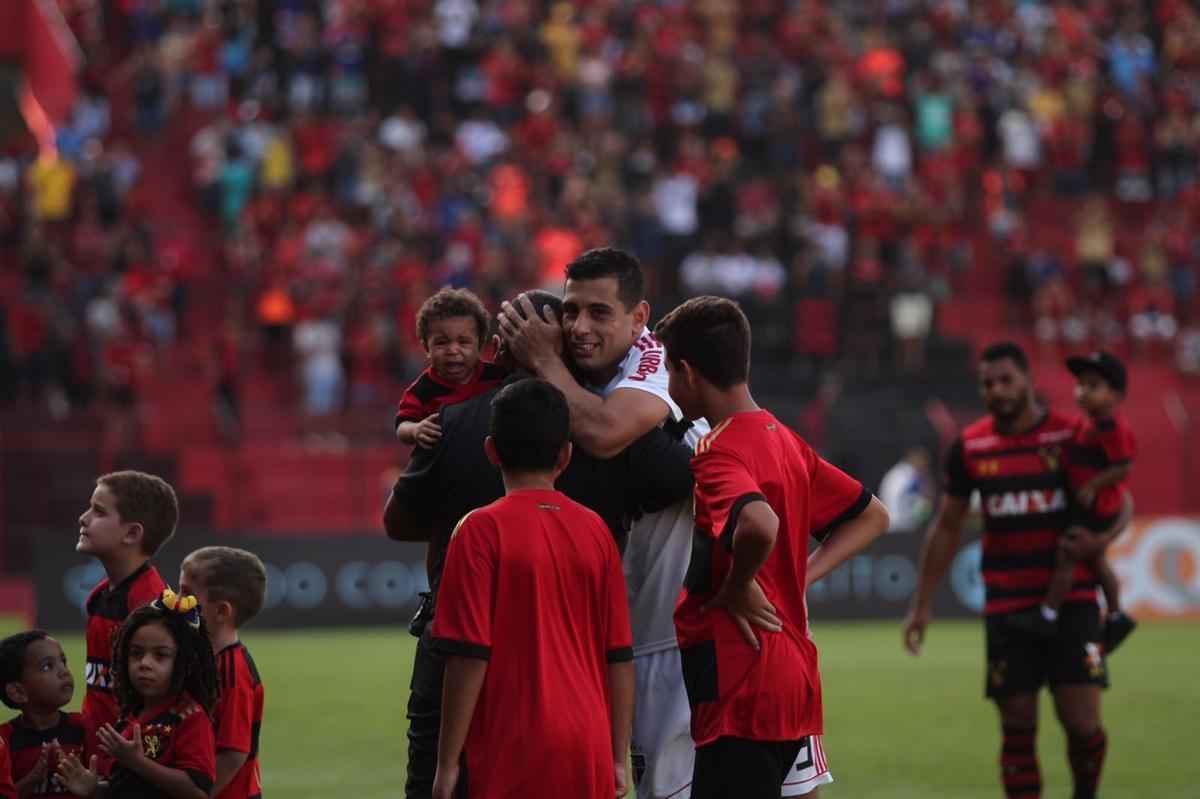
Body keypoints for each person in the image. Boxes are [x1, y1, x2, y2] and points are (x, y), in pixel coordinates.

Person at [384, 289, 694, 799]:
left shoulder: (454, 424)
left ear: (497, 347)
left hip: (456, 650)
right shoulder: (607, 433)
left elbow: (398, 521)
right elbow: (687, 476)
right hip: (574, 657)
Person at [653, 296, 888, 799]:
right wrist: (799, 577)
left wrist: (738, 585)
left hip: (742, 680)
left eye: (670, 371)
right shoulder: (784, 438)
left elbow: (758, 522)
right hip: (791, 672)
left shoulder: (716, 450)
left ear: (688, 373)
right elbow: (872, 516)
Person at [498, 248, 708, 799]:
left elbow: (608, 432)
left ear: (638, 318)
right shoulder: (581, 376)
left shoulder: (652, 359)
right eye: (570, 312)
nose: (579, 328)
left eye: (598, 313)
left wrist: (546, 363)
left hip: (674, 638)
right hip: (615, 639)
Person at [902, 341, 1131, 799]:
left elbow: (1121, 499)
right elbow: (946, 527)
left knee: (1084, 726)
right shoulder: (971, 446)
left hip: (1074, 600)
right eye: (987, 383)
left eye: (1006, 380)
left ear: (1028, 381)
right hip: (1008, 605)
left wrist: (1101, 541)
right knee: (1017, 728)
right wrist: (922, 604)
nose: (997, 390)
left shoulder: (1072, 436)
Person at [429, 378, 635, 798]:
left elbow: (468, 655)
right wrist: (617, 756)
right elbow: (619, 655)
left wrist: (447, 762)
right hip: (588, 743)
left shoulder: (478, 530)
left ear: (491, 451)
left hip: (512, 746)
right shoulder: (596, 530)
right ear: (565, 455)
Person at [1008, 351, 1137, 652]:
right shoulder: (1087, 427)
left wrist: (1093, 484)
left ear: (1115, 394)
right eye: (1080, 385)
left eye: (1092, 386)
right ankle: (1117, 615)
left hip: (1097, 511)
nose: (1082, 391)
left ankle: (1048, 613)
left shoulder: (1112, 428)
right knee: (1095, 559)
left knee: (1069, 553)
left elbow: (1123, 467)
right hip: (1093, 508)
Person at [56, 590, 218, 799]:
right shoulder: (130, 712)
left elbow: (198, 793)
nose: (144, 664)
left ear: (184, 663)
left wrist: (138, 762)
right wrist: (95, 790)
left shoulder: (190, 716)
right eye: (136, 653)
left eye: (161, 655)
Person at [77, 472, 176, 731]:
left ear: (131, 533)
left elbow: (159, 706)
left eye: (98, 512)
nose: (83, 518)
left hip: (126, 762)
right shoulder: (99, 596)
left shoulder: (151, 605)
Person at [179, 548, 267, 799]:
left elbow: (233, 753)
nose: (176, 600)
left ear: (221, 612)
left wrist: (197, 793)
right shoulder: (196, 656)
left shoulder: (231, 673)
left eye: (187, 593)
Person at [394, 287, 508, 448]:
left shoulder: (496, 377)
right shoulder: (423, 389)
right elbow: (402, 426)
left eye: (463, 342)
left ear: (480, 344)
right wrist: (415, 430)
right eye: (442, 342)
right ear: (426, 347)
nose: (453, 350)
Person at [0, 632, 90, 798]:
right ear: (18, 692)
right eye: (47, 666)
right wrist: (31, 781)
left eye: (63, 661)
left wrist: (91, 785)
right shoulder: (5, 739)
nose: (64, 671)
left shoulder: (83, 726)